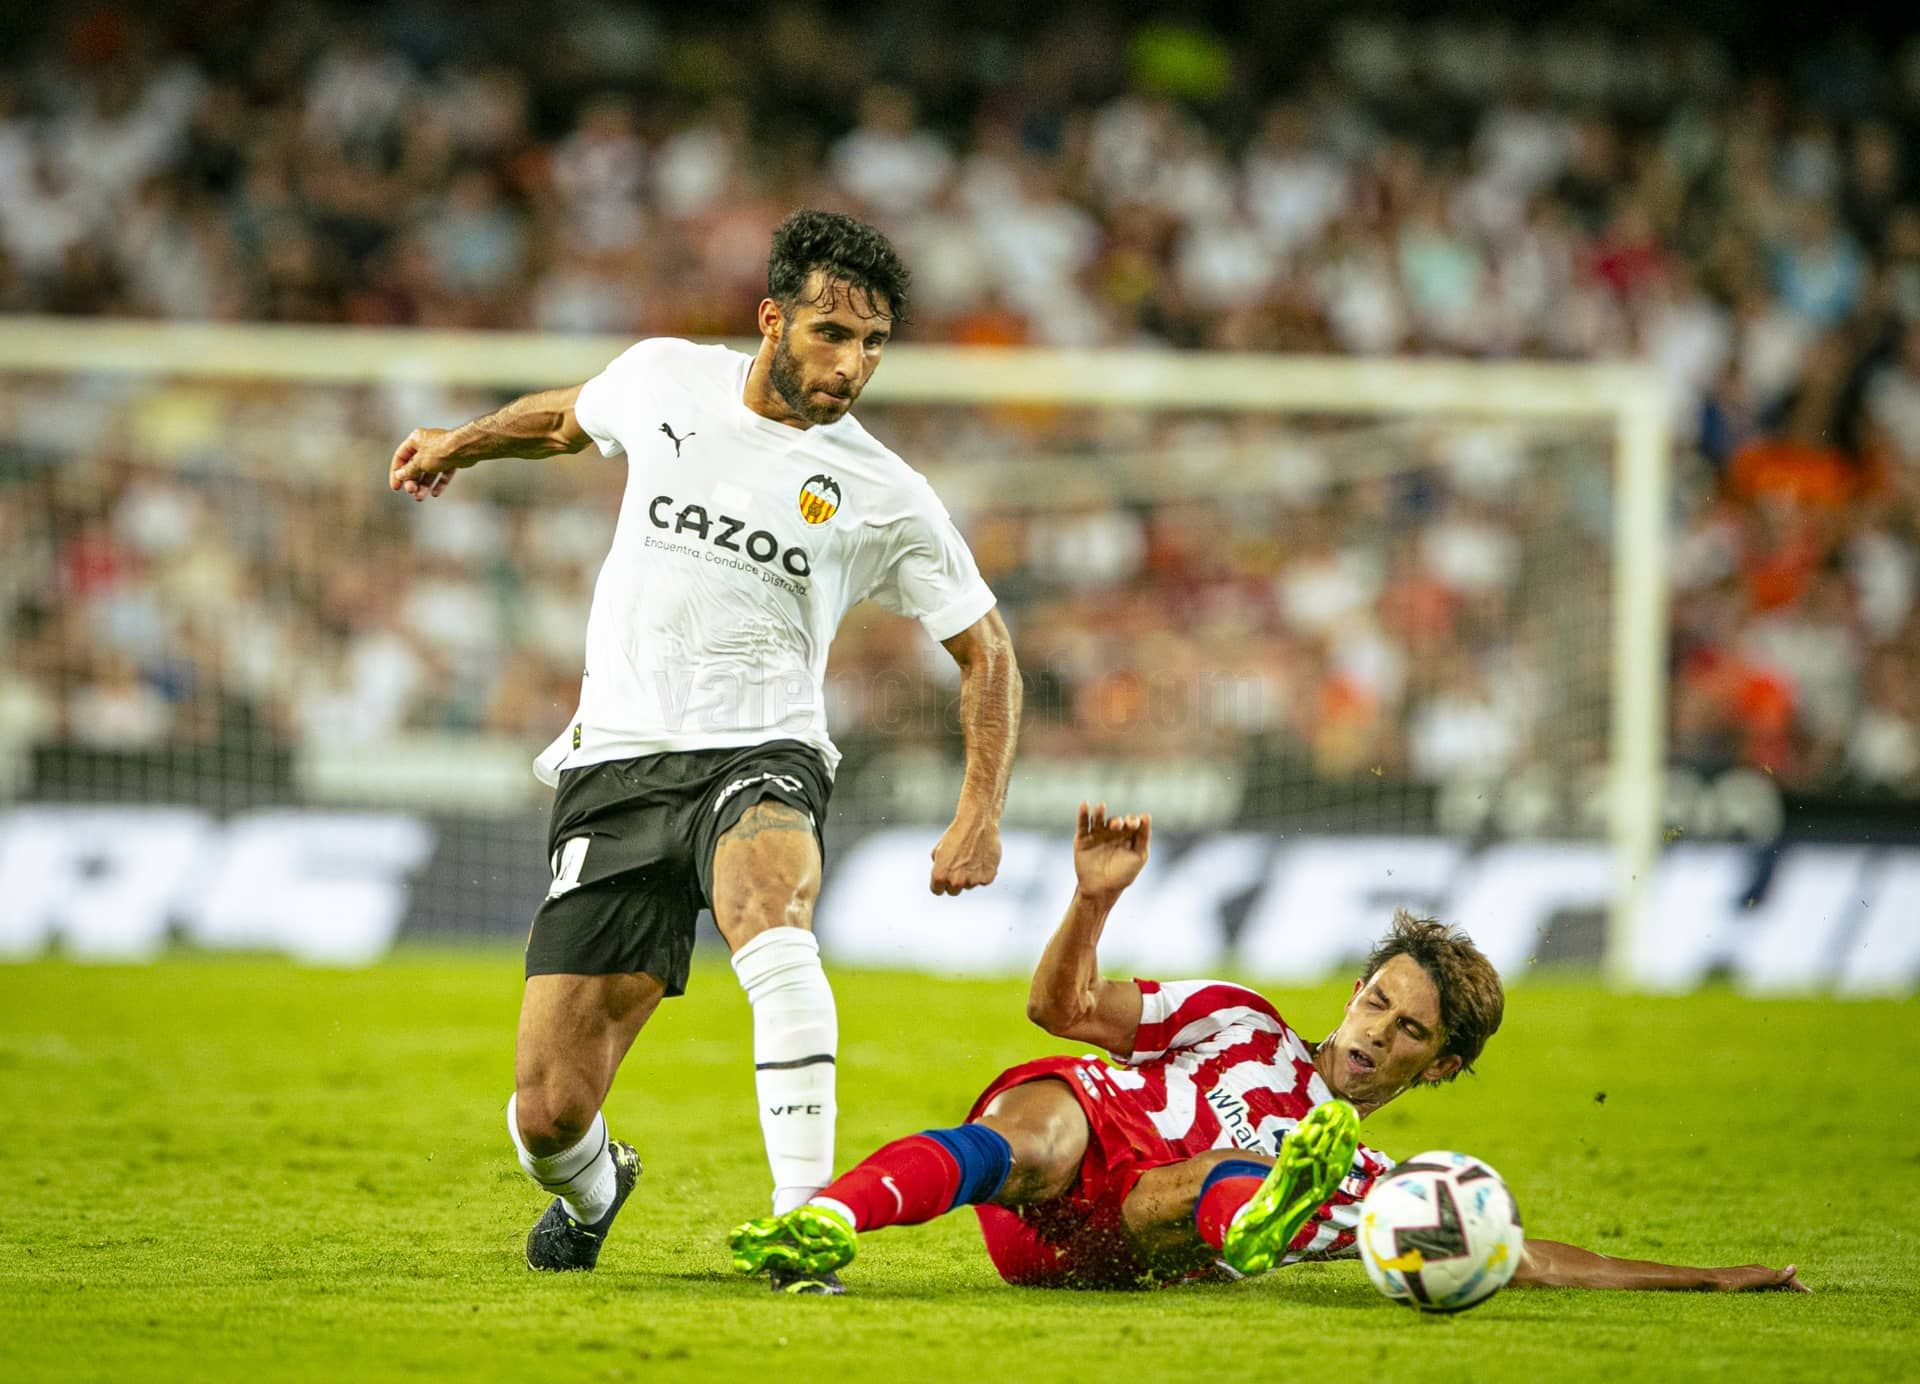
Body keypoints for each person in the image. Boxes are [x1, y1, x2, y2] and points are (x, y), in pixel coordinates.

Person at [387, 209, 1020, 1293]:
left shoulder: (886, 492)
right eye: (831, 334)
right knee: (547, 1111)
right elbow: (562, 422)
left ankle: (802, 1227)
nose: (853, 365)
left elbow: (988, 649)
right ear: (772, 319)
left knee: (773, 916)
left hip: (762, 751)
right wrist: (458, 442)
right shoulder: (666, 378)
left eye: (873, 345)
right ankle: (594, 1188)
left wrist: (981, 810)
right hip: (618, 763)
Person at [729, 804, 1808, 1296]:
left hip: (1119, 1244)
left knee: (1202, 1184)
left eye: (1409, 1031)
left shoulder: (1381, 1188)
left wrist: (1705, 1278)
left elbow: (1520, 1255)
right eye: (1377, 1001)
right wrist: (1090, 905)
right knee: (1045, 1127)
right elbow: (1057, 1009)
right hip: (1076, 1147)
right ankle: (825, 1219)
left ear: (1438, 1069)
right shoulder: (1231, 1014)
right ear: (1354, 989)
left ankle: (1248, 1218)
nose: (1376, 1032)